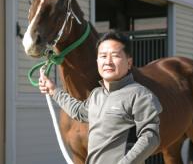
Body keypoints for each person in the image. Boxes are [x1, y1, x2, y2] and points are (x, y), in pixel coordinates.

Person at [39, 31, 162, 164]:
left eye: (115, 56)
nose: (108, 62)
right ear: (97, 61)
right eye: (103, 56)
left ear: (129, 62)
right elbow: (79, 111)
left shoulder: (140, 95)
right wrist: (53, 90)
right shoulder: (97, 94)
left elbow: (150, 137)